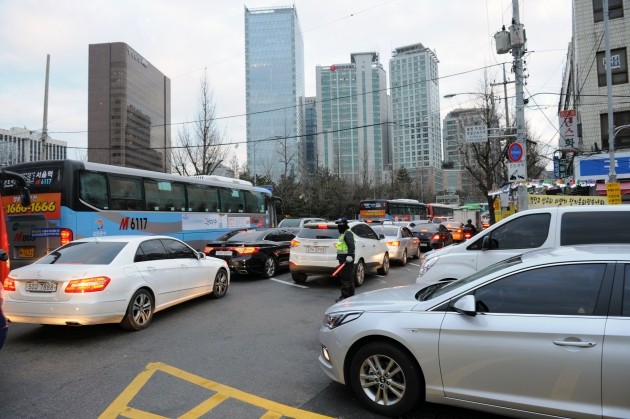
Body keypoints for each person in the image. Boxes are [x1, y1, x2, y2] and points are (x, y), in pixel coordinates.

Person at [334, 217, 355, 303]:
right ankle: (350, 295)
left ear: (345, 224)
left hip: (347, 259)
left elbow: (351, 246)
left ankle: (345, 296)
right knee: (348, 277)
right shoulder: (343, 234)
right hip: (344, 258)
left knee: (345, 278)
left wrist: (349, 255)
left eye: (340, 224)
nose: (339, 226)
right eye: (338, 225)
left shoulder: (347, 233)